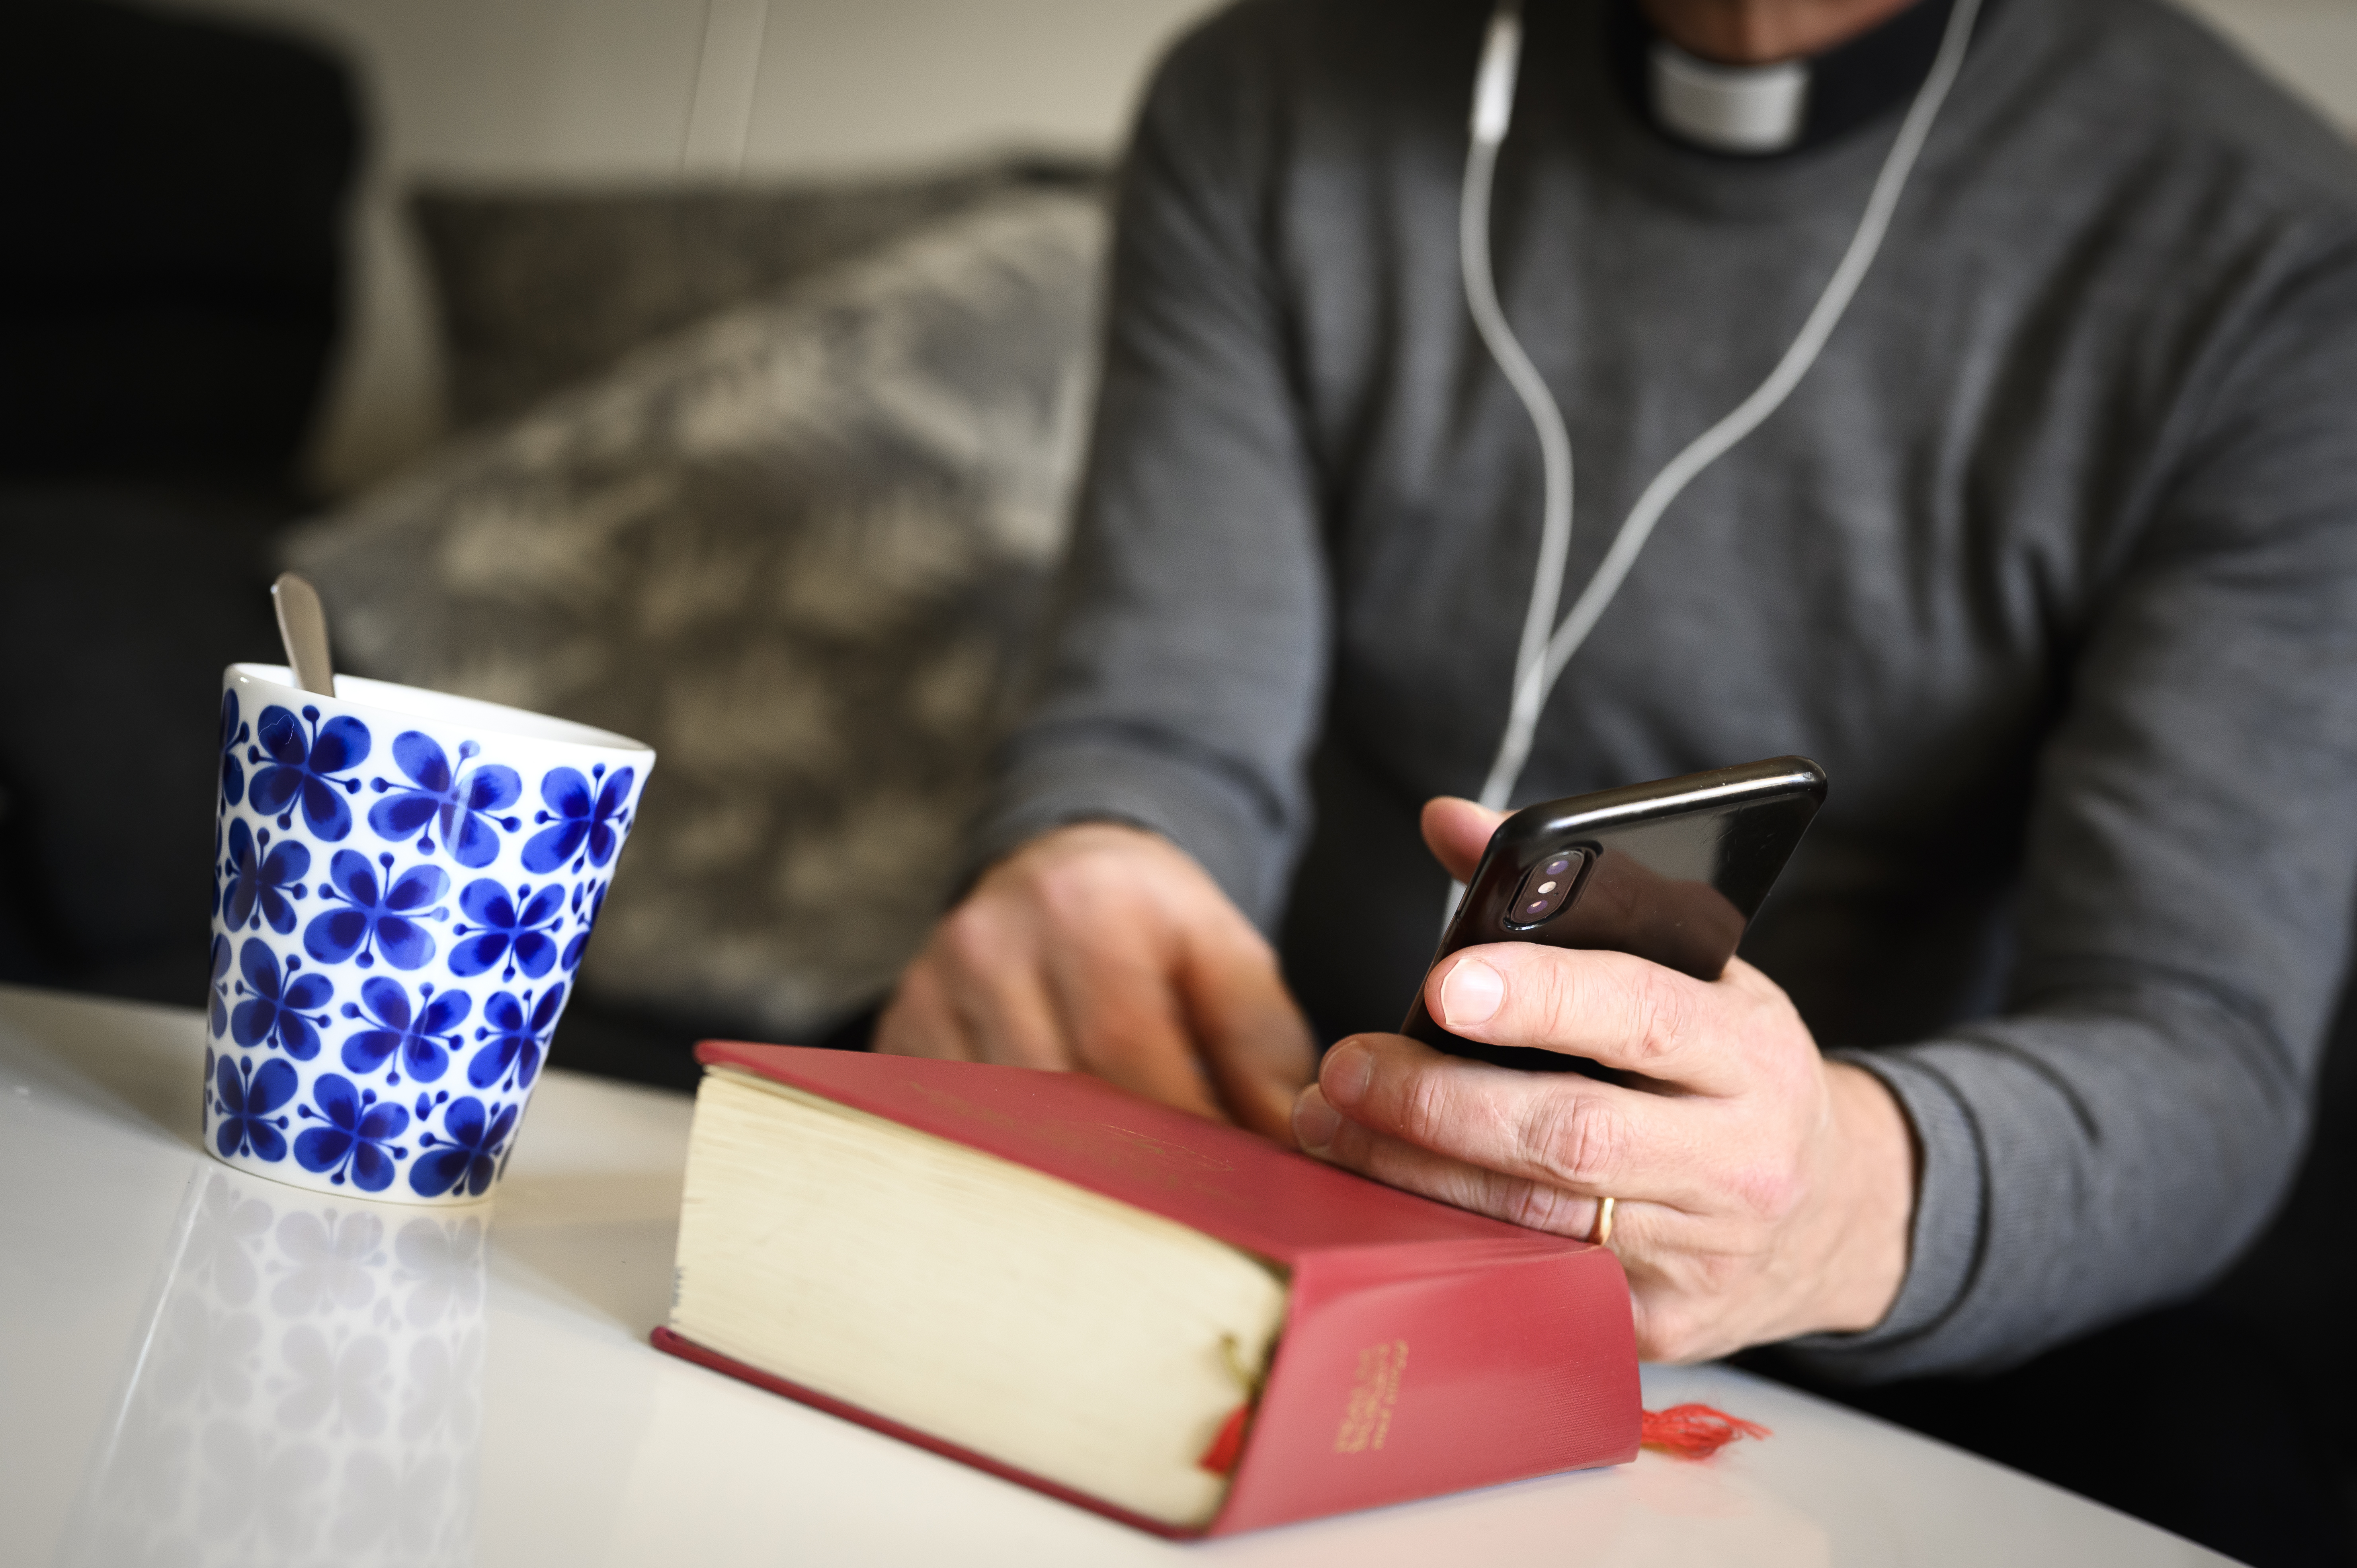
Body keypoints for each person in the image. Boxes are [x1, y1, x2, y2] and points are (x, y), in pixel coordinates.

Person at [878, 0, 2357, 1554]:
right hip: (1285, 1129)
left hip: (1857, 1275)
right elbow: (1158, 734)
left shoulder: (2271, 256)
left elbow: (2197, 1043)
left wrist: (1826, 1203)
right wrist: (1097, 859)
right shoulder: (1268, 96)